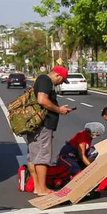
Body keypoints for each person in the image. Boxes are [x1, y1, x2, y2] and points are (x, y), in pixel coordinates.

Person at [27, 66, 73, 196]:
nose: (61, 84)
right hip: (43, 125)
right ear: (57, 75)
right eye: (62, 81)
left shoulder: (41, 80)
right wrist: (59, 110)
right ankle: (42, 188)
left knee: (33, 156)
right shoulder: (46, 81)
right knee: (42, 156)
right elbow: (42, 100)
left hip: (36, 125)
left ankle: (37, 187)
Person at [52, 122, 107, 200]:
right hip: (66, 157)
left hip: (74, 157)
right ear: (93, 132)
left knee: (85, 166)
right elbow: (82, 155)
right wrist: (92, 167)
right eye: (97, 135)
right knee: (77, 171)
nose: (97, 137)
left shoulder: (88, 137)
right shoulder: (83, 136)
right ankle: (70, 188)